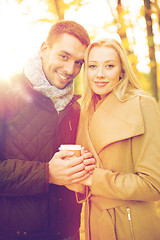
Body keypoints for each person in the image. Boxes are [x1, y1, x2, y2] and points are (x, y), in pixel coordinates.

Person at [0, 20, 95, 240]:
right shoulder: (5, 93)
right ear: (45, 49)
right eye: (64, 56)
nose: (71, 70)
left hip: (67, 234)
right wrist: (47, 173)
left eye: (79, 62)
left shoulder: (75, 107)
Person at [76, 38, 160, 240]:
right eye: (93, 66)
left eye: (109, 66)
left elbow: (154, 185)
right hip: (92, 223)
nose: (100, 74)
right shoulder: (83, 109)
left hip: (130, 224)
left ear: (122, 70)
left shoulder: (143, 105)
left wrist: (92, 179)